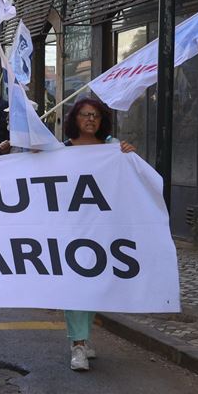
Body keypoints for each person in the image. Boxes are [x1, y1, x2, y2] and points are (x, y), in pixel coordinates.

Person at [61, 98, 135, 372]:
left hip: (104, 227)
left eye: (95, 115)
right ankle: (77, 344)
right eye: (84, 115)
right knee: (76, 285)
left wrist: (129, 154)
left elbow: (133, 176)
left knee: (93, 284)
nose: (90, 120)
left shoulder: (113, 148)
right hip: (72, 226)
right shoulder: (63, 150)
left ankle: (84, 337)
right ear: (75, 119)